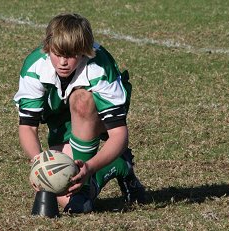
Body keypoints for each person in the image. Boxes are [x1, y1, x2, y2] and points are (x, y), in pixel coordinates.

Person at [13, 13, 145, 214]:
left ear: (85, 52)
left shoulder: (100, 66)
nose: (63, 62)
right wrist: (39, 166)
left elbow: (119, 135)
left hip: (96, 115)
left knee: (82, 99)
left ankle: (84, 186)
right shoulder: (35, 66)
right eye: (57, 53)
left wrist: (89, 167)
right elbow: (28, 127)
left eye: (71, 55)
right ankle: (119, 165)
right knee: (63, 191)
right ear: (48, 47)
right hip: (61, 118)